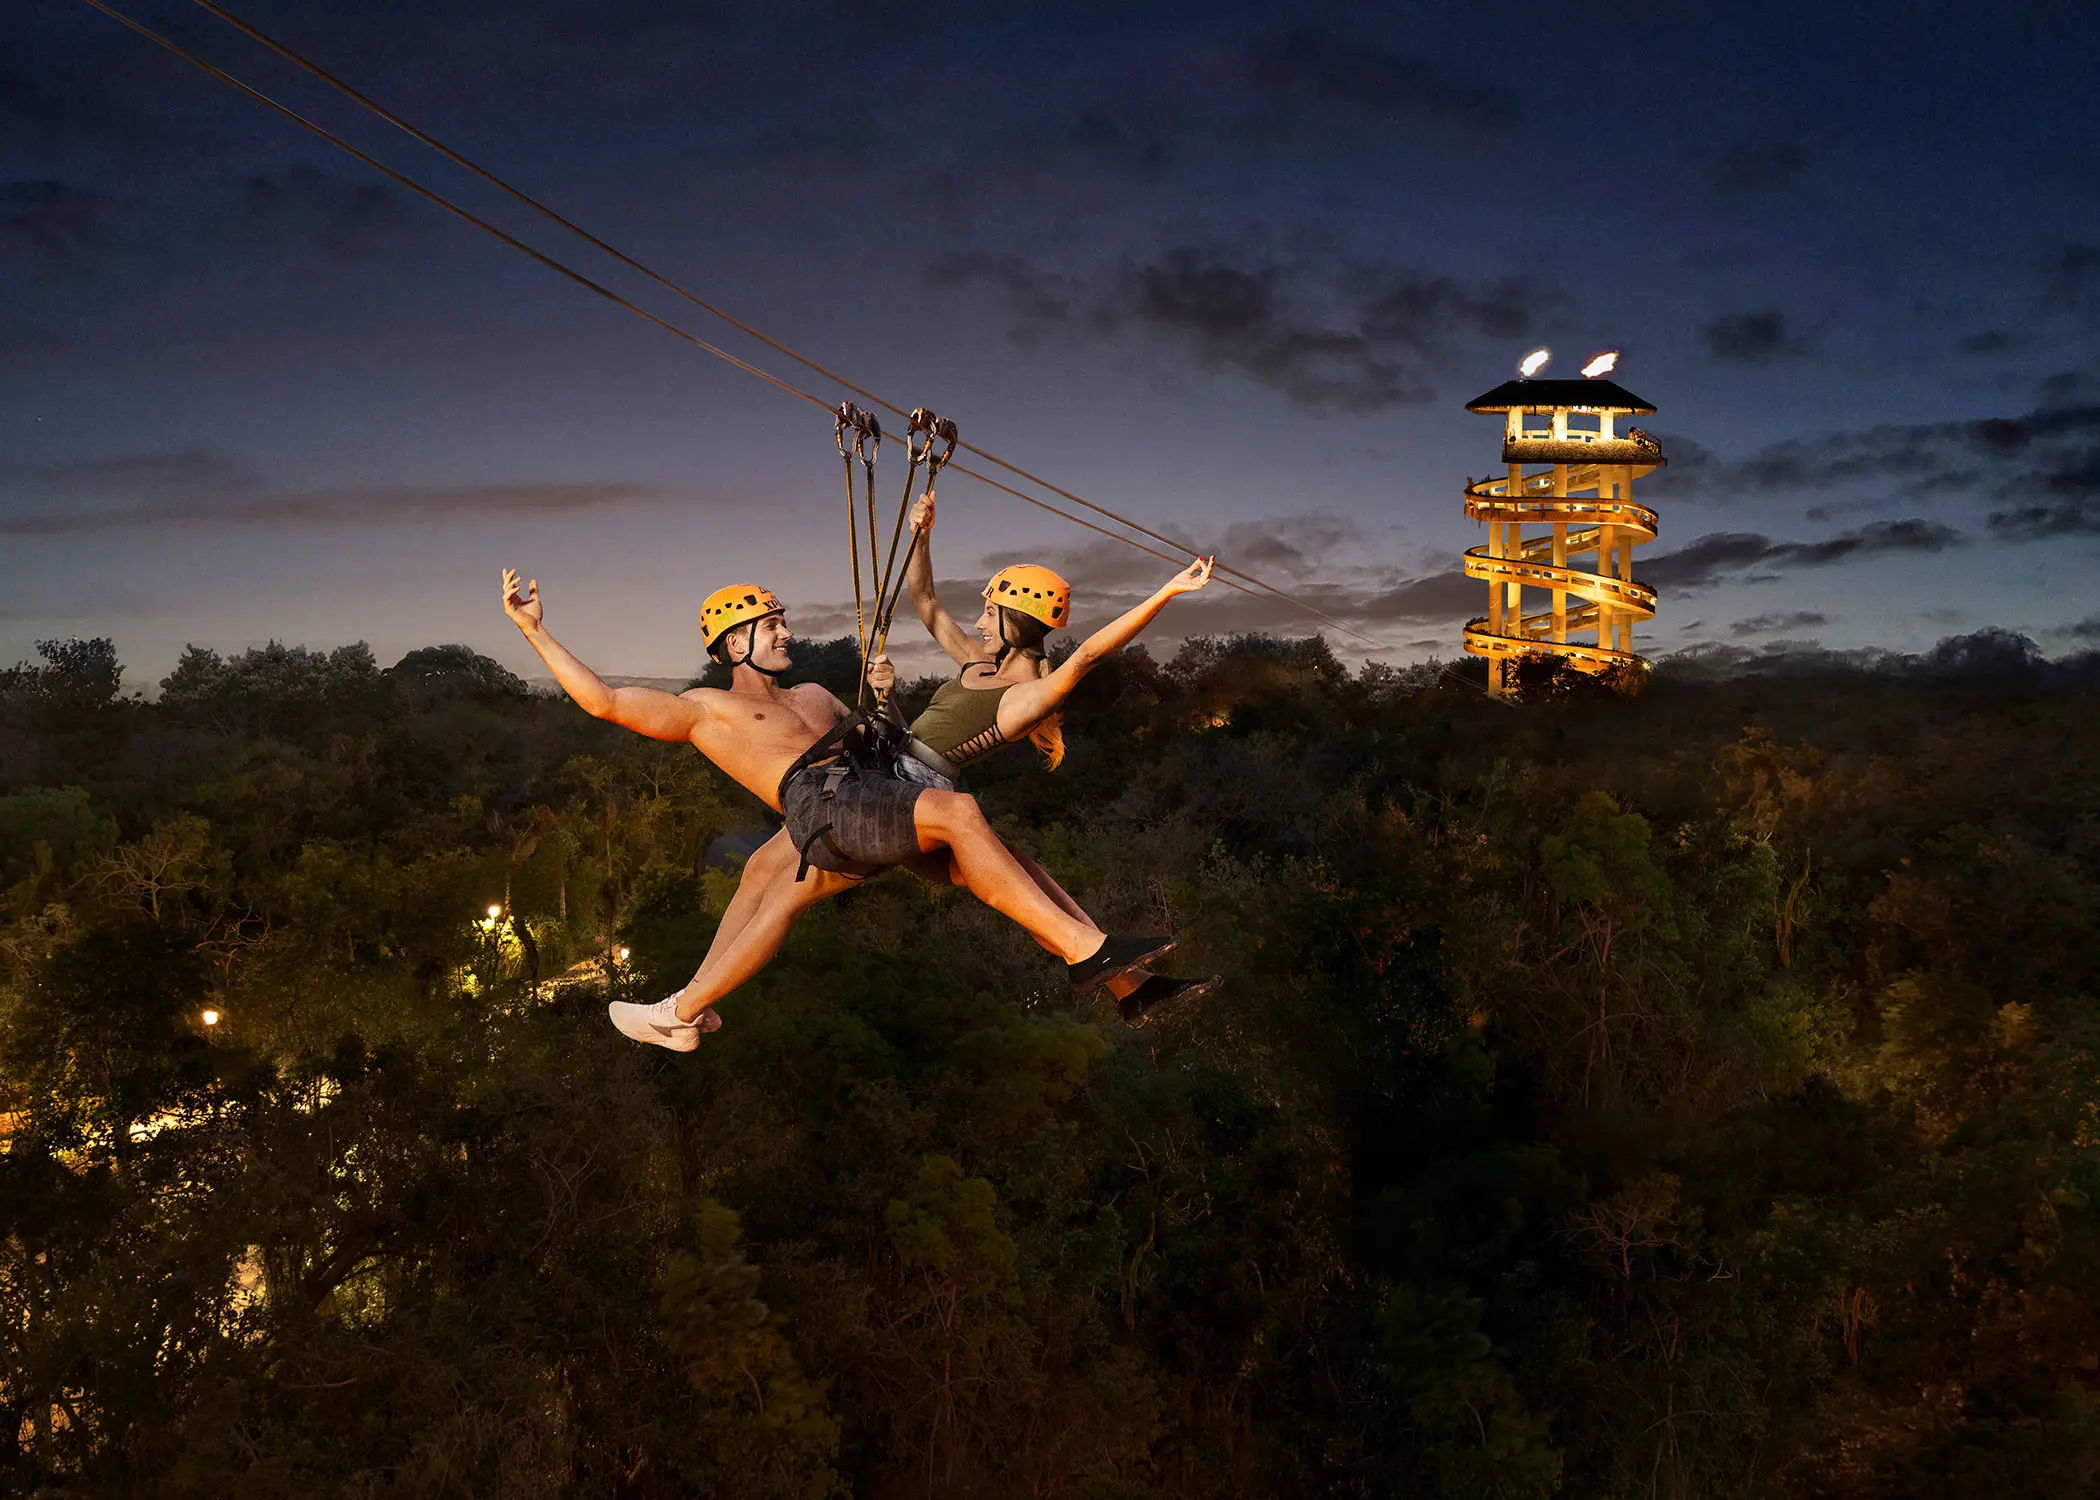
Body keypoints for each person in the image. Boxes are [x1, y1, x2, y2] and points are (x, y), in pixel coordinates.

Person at [500, 568, 1173, 1051]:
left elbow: (881, 743)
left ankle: (1132, 986)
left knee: (780, 881)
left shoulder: (818, 695)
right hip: (826, 807)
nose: (786, 631)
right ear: (735, 644)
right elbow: (605, 702)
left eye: (782, 620)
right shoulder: (706, 710)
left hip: (864, 799)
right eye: (770, 626)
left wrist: (883, 698)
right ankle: (1090, 953)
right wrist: (536, 632)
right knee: (950, 823)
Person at [870, 488, 1223, 1026]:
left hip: (916, 792)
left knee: (1021, 879)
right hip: (911, 781)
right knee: (1026, 881)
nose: (981, 625)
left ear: (1016, 623)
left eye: (990, 614)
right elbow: (924, 600)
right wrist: (923, 533)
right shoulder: (977, 662)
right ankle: (1133, 986)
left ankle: (1121, 977)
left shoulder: (1028, 696)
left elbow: (1088, 653)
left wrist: (1167, 592)